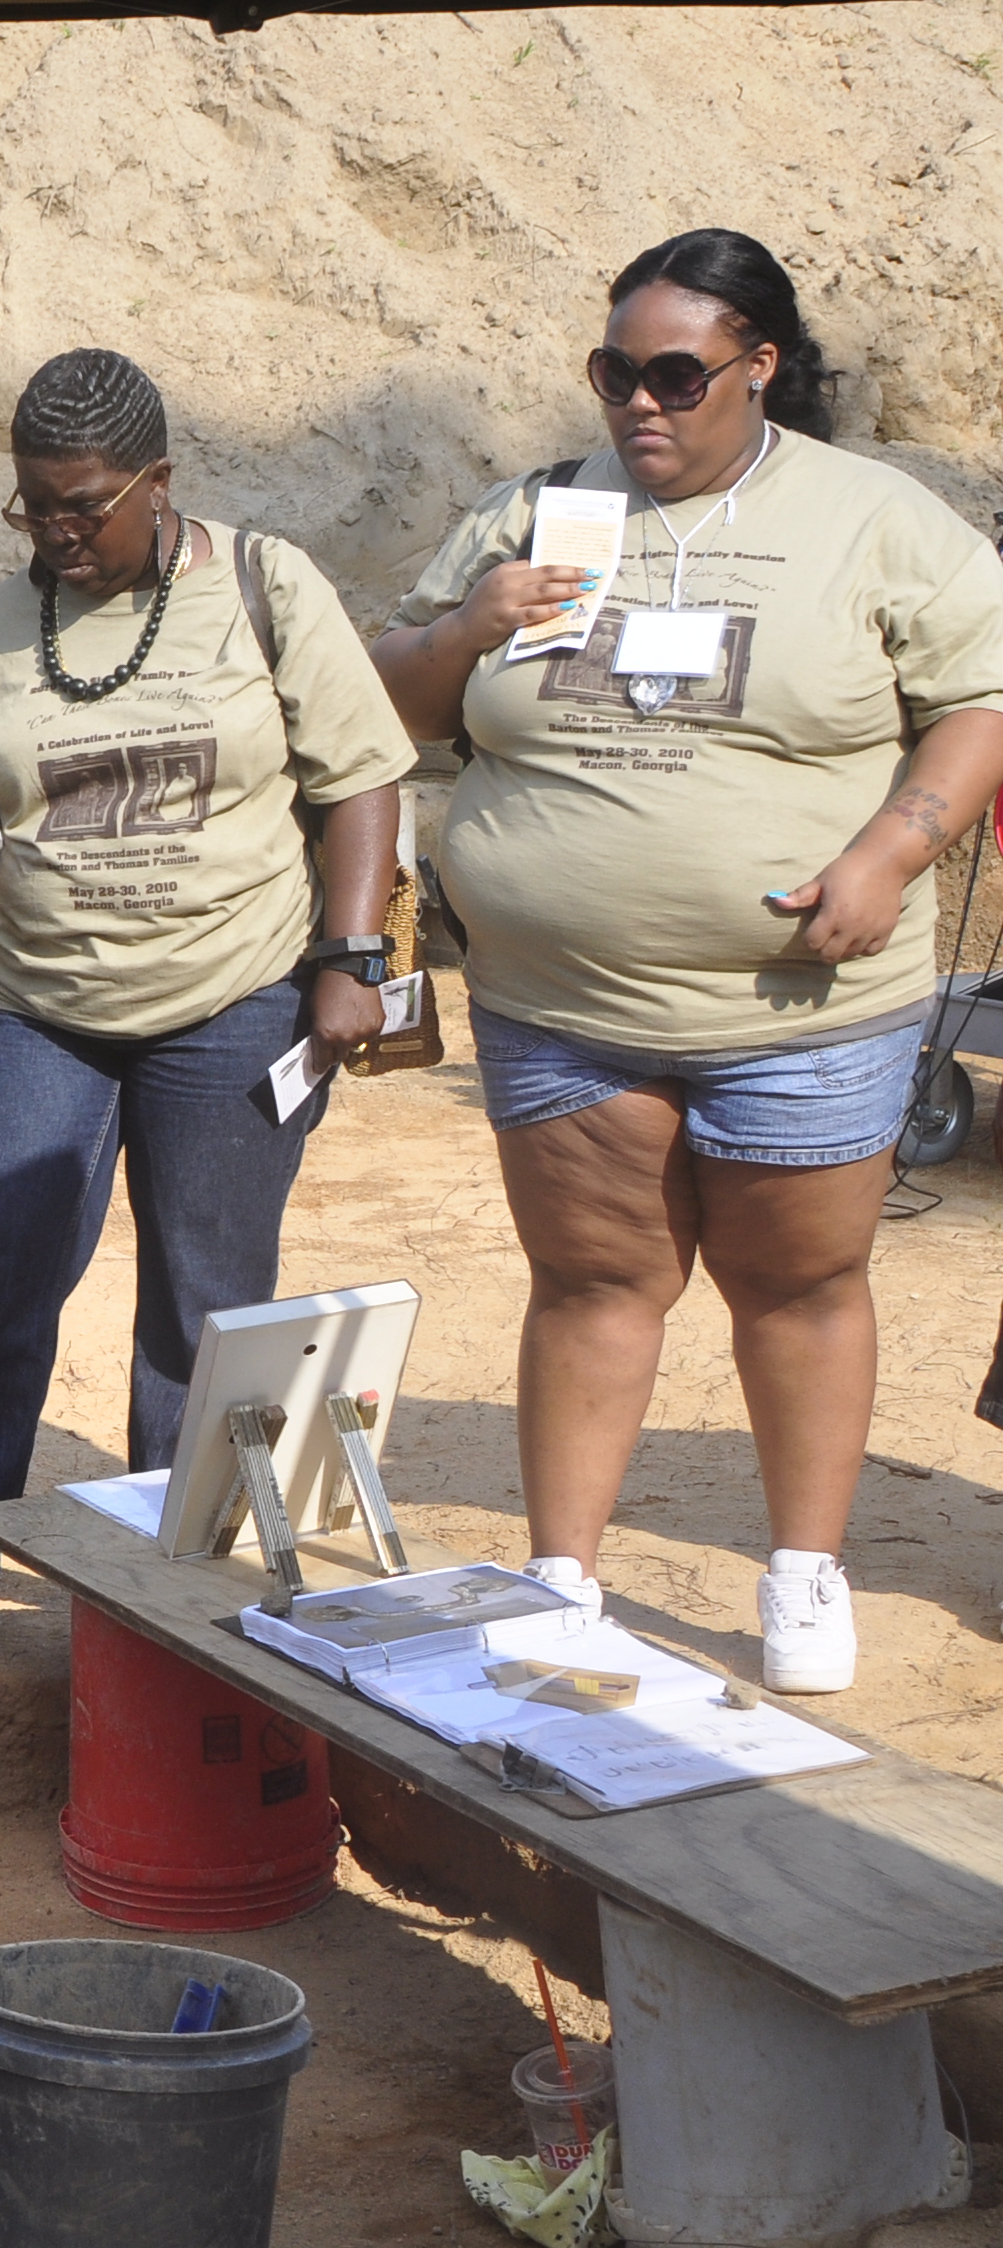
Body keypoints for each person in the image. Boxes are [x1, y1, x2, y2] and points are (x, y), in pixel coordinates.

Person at [371, 230, 1003, 1695]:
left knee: (800, 1286)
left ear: (759, 368)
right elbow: (385, 701)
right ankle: (562, 1575)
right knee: (590, 1282)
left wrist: (894, 851)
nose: (639, 406)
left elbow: (979, 701)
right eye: (615, 375)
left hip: (799, 1008)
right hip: (563, 1006)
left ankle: (803, 1573)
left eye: (675, 376)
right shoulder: (536, 511)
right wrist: (473, 622)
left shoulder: (871, 519)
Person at [0, 351, 414, 1664]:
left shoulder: (266, 586)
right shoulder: (4, 622)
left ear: (159, 483)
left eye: (83, 506)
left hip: (234, 997)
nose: (54, 533)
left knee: (204, 1298)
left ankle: (182, 1573)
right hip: (41, 1005)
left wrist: (351, 958)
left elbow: (364, 777)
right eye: (34, 507)